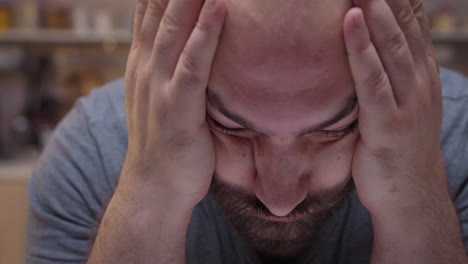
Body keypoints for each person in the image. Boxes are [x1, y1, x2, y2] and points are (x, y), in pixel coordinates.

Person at [25, 0, 468, 263]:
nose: (279, 199)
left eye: (334, 130)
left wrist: (415, 201)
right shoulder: (91, 152)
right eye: (231, 128)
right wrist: (149, 190)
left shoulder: (459, 141)